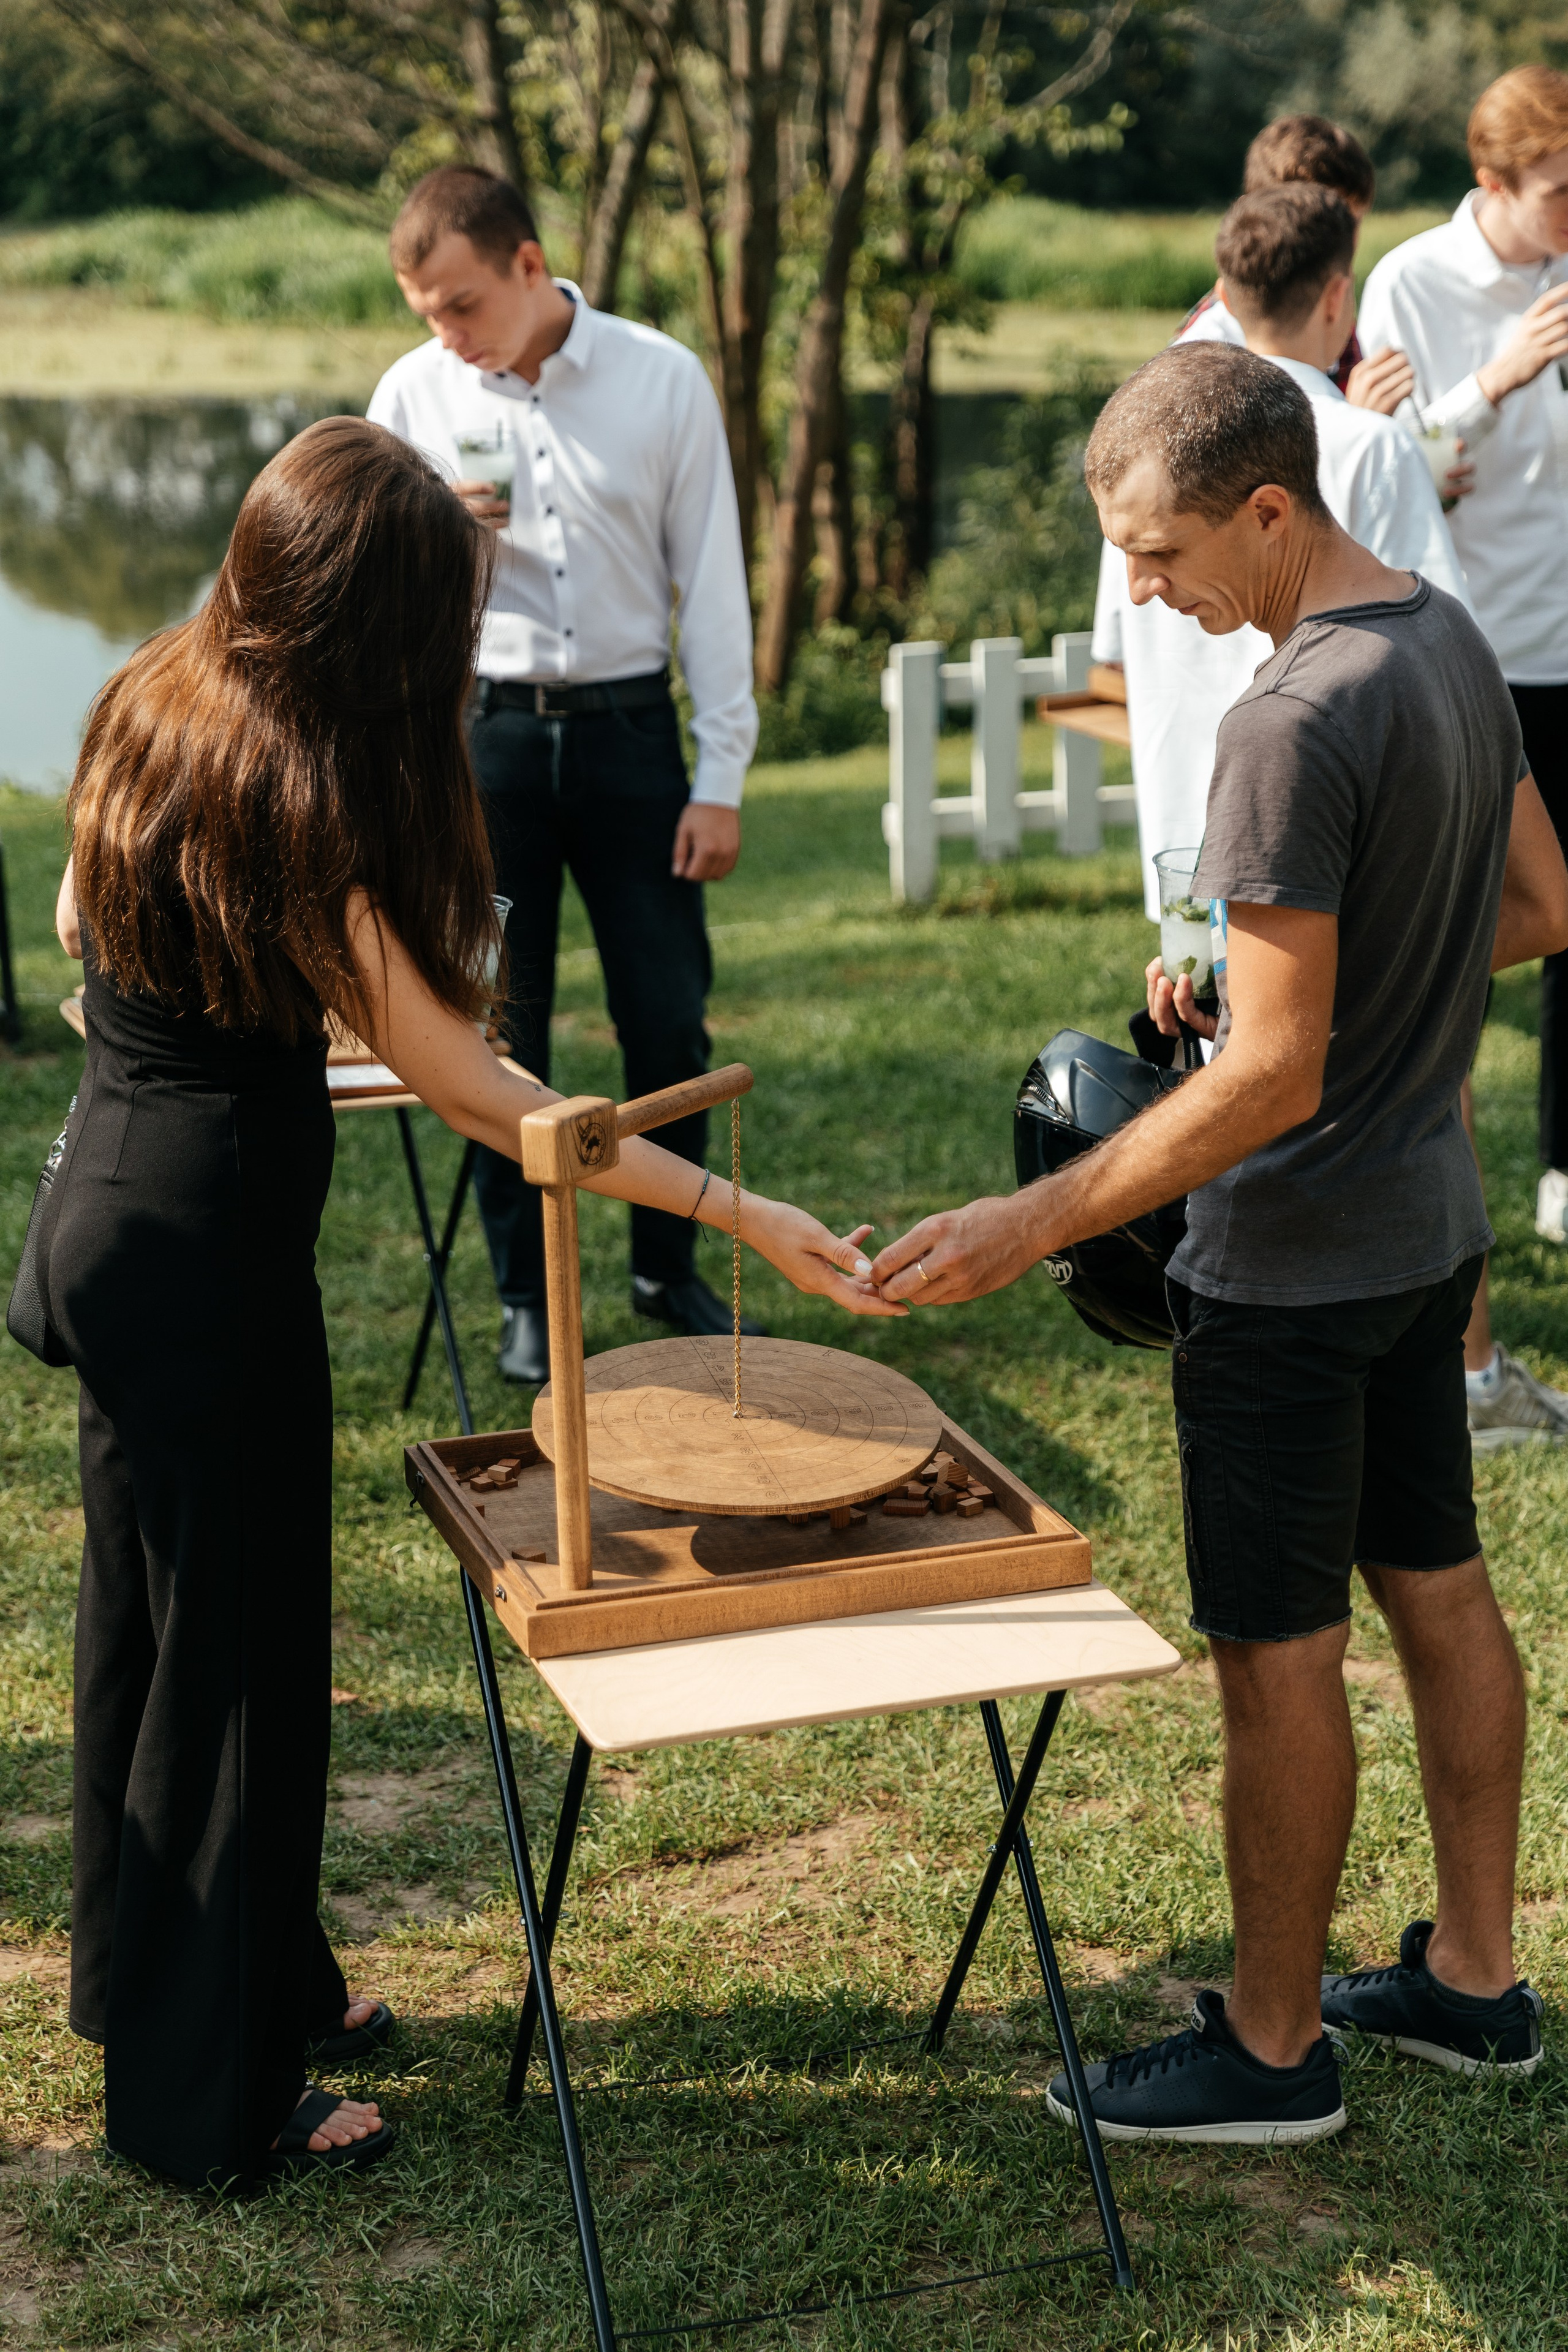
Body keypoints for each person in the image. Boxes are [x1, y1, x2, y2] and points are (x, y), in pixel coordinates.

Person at [42, 417, 897, 2189]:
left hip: (109, 1211)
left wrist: (216, 1031)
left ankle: (190, 1982)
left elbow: (73, 931)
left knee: (152, 1624)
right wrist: (740, 1207)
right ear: (383, 632)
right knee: (238, 1669)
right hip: (204, 1266)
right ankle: (211, 2105)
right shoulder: (308, 798)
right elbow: (500, 1107)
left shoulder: (150, 698)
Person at [867, 345, 1566, 2143]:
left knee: (1276, 1652)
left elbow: (1262, 1075)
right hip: (1422, 1234)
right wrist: (1333, 983)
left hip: (1288, 1268)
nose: (1150, 603)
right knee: (1437, 1588)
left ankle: (1269, 2050)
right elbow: (1542, 905)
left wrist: (1031, 1214)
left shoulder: (1285, 721)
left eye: (1163, 557)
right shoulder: (1444, 639)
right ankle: (1475, 1980)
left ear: (1268, 507)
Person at [367, 166, 758, 1388]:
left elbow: (715, 580)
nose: (446, 334)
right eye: (427, 311)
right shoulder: (411, 394)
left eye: (462, 304)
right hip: (479, 745)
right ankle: (526, 1298)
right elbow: (369, 594)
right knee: (495, 1028)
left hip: (633, 736)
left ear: (531, 266)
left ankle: (665, 1264)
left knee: (664, 1013)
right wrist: (435, 530)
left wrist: (722, 773)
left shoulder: (661, 376)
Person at [1095, 179, 1469, 923]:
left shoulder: (1149, 447)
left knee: (1216, 1025)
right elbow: (1440, 649)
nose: (1147, 583)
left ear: (1224, 299)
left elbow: (1112, 651)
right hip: (1324, 836)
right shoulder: (1369, 446)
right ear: (1338, 297)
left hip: (1183, 838)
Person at [1360, 68, 1568, 1273]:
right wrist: (1494, 380)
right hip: (1470, 650)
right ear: (1489, 183)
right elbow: (1385, 458)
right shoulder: (1408, 282)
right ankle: (1427, 1173)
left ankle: (1559, 1170)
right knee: (1467, 917)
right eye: (1554, 193)